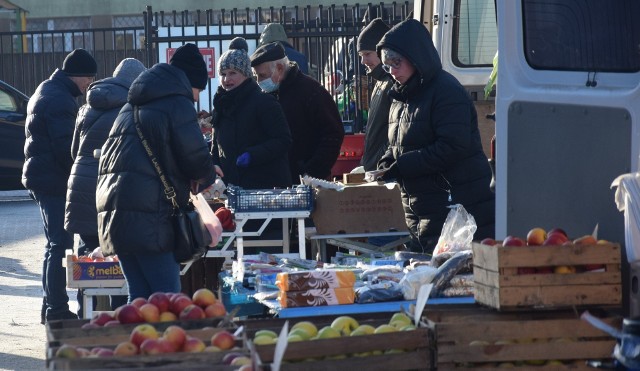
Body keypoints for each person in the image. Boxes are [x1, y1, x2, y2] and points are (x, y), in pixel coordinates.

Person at [96, 44, 217, 301]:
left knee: (139, 298)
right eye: (198, 89)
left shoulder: (131, 105)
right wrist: (210, 174)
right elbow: (195, 159)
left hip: (116, 213)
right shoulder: (177, 102)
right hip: (150, 217)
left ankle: (136, 342)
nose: (196, 98)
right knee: (167, 300)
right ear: (189, 81)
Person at [376, 19, 495, 253]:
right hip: (423, 213)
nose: (392, 71)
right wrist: (389, 159)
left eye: (396, 63)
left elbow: (452, 146)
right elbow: (403, 142)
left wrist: (403, 166)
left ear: (416, 57)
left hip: (457, 210)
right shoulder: (402, 96)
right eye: (387, 65)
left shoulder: (445, 91)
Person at [65, 58, 146, 315]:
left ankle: (84, 315)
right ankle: (117, 315)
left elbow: (74, 151)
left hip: (80, 186)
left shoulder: (87, 106)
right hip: (107, 191)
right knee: (114, 257)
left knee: (87, 259)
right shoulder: (130, 109)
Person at [22, 48, 97, 323]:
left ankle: (50, 306)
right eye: (89, 79)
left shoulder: (49, 89)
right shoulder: (60, 100)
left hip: (43, 178)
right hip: (53, 181)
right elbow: (66, 149)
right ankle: (57, 310)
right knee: (60, 245)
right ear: (79, 76)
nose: (89, 85)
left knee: (54, 244)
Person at [250, 42, 344, 181]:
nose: (259, 81)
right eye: (256, 76)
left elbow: (333, 134)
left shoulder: (311, 91)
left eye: (262, 75)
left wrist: (311, 171)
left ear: (280, 68)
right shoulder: (266, 96)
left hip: (308, 181)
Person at [211, 44, 292, 189]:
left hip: (265, 187)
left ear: (246, 74)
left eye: (233, 73)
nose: (226, 79)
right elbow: (216, 145)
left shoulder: (264, 102)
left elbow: (283, 140)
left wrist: (252, 155)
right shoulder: (221, 105)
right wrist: (215, 164)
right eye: (223, 74)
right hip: (232, 187)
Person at [357, 18, 393, 171]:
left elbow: (394, 136)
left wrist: (375, 163)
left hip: (382, 169)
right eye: (360, 55)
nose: (363, 61)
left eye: (367, 54)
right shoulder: (380, 82)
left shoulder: (391, 83)